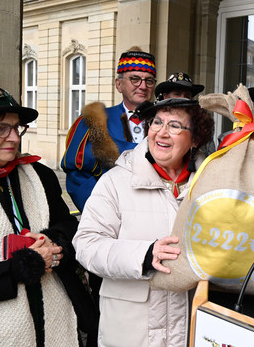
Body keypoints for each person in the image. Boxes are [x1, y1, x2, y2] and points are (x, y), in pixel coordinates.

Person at [73, 98, 214, 346]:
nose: (161, 131)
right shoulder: (116, 181)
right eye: (157, 122)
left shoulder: (211, 185)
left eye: (174, 125)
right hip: (130, 329)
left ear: (195, 140)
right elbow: (86, 244)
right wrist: (144, 254)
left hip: (192, 326)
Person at [0, 86, 97, 346]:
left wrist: (53, 241)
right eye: (1, 129)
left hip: (51, 318)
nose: (14, 138)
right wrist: (21, 266)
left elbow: (68, 226)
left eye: (17, 128)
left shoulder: (40, 175)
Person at [61, 46, 157, 212]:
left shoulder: (165, 123)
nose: (143, 86)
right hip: (110, 214)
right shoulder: (94, 121)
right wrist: (103, 213)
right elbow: (78, 177)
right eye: (135, 79)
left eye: (149, 81)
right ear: (118, 84)